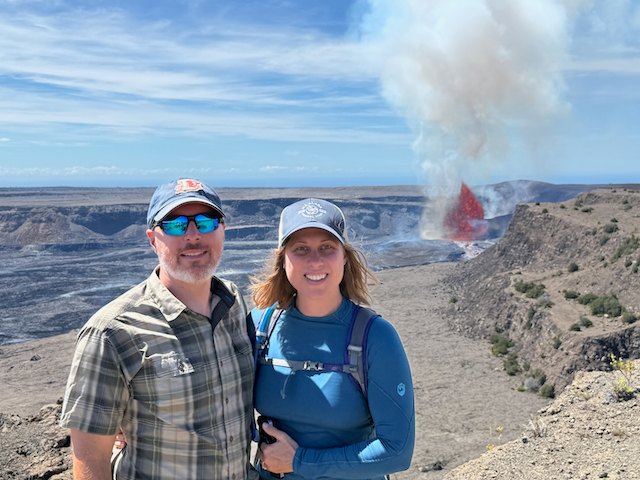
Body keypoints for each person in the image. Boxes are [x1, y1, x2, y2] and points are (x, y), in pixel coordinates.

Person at [60, 178, 256, 480]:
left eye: (206, 222)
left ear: (222, 231)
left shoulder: (234, 305)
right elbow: (90, 459)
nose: (193, 236)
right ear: (153, 239)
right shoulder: (112, 332)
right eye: (176, 225)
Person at [249, 198, 415, 480]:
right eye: (301, 249)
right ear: (282, 257)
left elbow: (397, 451)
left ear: (344, 257)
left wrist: (301, 462)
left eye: (327, 247)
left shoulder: (375, 337)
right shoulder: (260, 325)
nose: (315, 260)